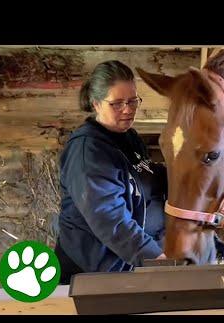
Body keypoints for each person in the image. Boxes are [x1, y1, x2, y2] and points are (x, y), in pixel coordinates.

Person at [55, 60, 167, 284]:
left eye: (133, 101)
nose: (127, 109)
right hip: (94, 271)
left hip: (132, 263)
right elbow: (109, 218)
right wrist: (154, 257)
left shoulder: (130, 138)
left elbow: (149, 180)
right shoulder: (88, 151)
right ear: (96, 104)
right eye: (117, 104)